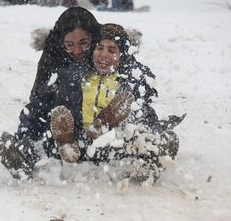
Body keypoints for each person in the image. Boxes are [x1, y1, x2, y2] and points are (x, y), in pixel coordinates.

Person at [49, 23, 184, 182]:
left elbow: (145, 112)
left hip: (113, 145)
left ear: (122, 55)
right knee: (62, 104)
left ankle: (149, 157)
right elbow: (61, 102)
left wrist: (152, 129)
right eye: (99, 48)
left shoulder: (130, 79)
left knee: (137, 119)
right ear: (92, 51)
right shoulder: (79, 76)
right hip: (81, 143)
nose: (104, 54)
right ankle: (67, 142)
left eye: (112, 50)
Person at [0, 7, 101, 178]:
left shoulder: (105, 50)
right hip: (60, 126)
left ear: (93, 39)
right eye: (70, 45)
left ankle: (148, 147)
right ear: (61, 42)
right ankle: (25, 152)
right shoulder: (53, 53)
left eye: (83, 43)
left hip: (96, 125)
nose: (77, 51)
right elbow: (38, 96)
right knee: (38, 110)